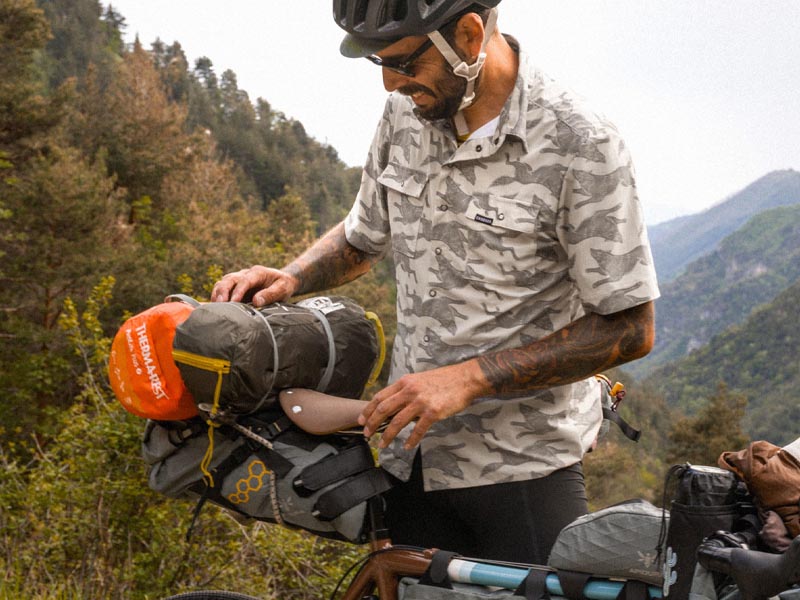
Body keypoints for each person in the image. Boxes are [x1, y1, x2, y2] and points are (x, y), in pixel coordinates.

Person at [211, 0, 660, 564]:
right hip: (407, 457)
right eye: (377, 61)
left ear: (469, 36)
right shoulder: (408, 113)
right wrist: (291, 277)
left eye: (402, 62)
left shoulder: (581, 145)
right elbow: (362, 236)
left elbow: (629, 329)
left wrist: (469, 379)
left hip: (520, 471)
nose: (388, 83)